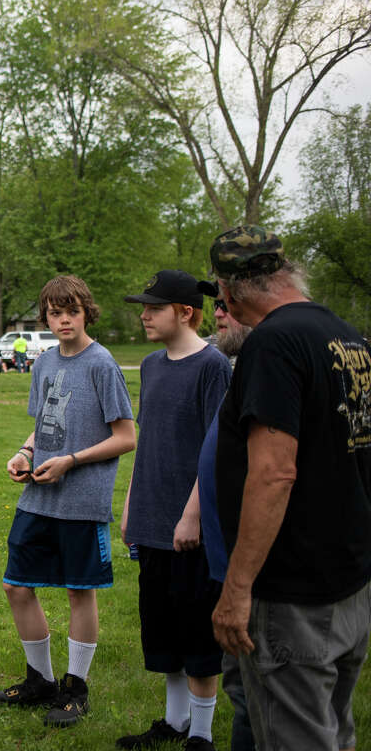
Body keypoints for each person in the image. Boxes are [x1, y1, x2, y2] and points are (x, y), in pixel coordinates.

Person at [209, 226, 371, 751]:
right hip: (348, 583)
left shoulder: (274, 343)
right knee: (334, 732)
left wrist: (236, 591)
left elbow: (275, 472)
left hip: (293, 595)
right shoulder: (346, 335)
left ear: (228, 292)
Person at [0, 275, 136, 728]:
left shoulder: (102, 364)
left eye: (71, 310)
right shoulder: (45, 362)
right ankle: (40, 682)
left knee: (77, 592)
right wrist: (25, 452)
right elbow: (43, 425)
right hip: (38, 495)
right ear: (45, 316)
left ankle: (76, 689)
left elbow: (126, 437)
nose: (63, 319)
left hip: (82, 501)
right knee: (16, 585)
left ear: (86, 311)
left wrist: (71, 460)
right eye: (54, 312)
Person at [116, 270, 232, 751]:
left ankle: (200, 736)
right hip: (151, 519)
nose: (143, 315)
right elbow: (147, 445)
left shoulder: (213, 366)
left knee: (197, 634)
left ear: (185, 312)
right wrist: (129, 507)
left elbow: (218, 449)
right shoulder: (150, 364)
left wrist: (193, 516)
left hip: (192, 527)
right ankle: (175, 721)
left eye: (153, 308)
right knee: (163, 630)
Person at [193, 283, 256, 751]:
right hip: (229, 560)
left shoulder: (272, 367)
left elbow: (276, 475)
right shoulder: (241, 365)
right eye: (215, 304)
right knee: (248, 695)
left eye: (226, 303)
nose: (217, 312)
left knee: (268, 702)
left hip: (260, 574)